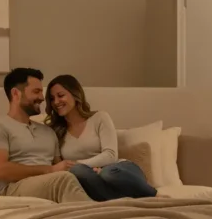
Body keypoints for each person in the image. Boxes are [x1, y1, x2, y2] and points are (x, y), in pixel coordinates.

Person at [0, 68, 93, 203]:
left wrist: (88, 171)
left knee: (85, 179)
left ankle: (109, 211)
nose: (42, 98)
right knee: (63, 180)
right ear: (16, 94)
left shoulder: (48, 132)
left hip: (52, 184)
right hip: (14, 190)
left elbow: (60, 166)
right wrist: (50, 170)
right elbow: (0, 170)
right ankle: (98, 215)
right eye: (36, 91)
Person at [45, 74, 157, 202]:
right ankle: (129, 199)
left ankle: (153, 194)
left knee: (108, 173)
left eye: (60, 95)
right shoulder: (55, 132)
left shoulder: (100, 118)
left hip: (118, 169)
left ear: (75, 94)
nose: (56, 102)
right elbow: (61, 168)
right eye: (52, 98)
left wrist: (83, 165)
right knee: (78, 172)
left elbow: (110, 155)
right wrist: (86, 171)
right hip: (89, 178)